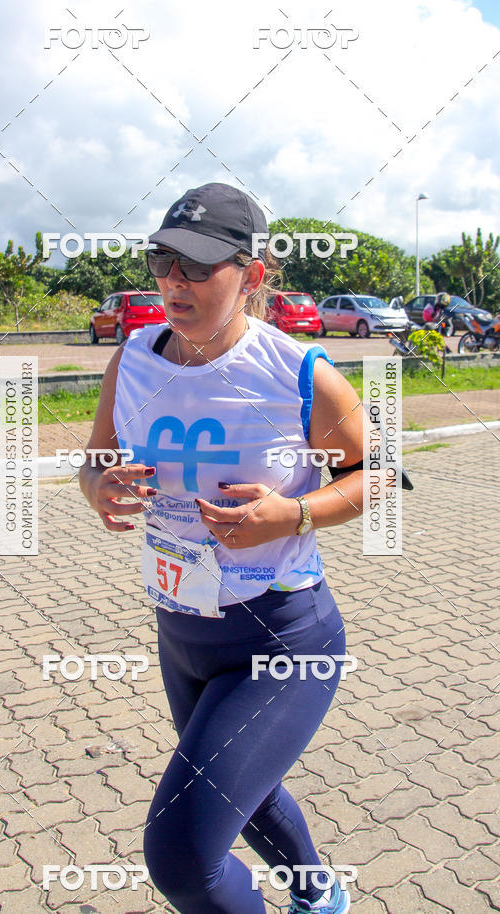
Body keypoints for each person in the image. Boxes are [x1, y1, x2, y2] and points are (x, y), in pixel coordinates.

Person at [79, 182, 366, 914]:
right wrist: (99, 485)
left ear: (254, 276)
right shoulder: (133, 359)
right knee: (249, 785)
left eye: (199, 266)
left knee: (181, 855)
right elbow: (95, 460)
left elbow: (377, 474)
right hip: (181, 632)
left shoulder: (298, 374)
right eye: (163, 261)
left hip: (283, 637)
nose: (175, 282)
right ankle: (319, 895)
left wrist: (292, 514)